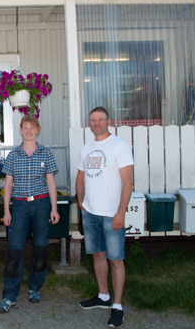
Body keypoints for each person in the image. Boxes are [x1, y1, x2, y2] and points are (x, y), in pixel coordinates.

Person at [0, 115, 60, 314]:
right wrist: (7, 210)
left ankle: (34, 288)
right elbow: (7, 185)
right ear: (21, 130)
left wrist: (54, 207)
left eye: (32, 127)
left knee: (41, 249)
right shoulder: (13, 155)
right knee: (15, 251)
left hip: (41, 205)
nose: (29, 130)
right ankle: (10, 295)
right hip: (20, 206)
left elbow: (50, 182)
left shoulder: (46, 153)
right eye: (25, 127)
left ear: (38, 129)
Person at [76, 107, 134, 328]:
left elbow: (127, 182)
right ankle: (103, 297)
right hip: (90, 213)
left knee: (116, 260)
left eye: (100, 119)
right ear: (89, 123)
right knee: (97, 256)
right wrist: (81, 202)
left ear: (108, 121)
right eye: (93, 120)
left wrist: (121, 212)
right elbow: (80, 176)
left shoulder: (119, 146)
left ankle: (117, 306)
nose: (97, 123)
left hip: (112, 214)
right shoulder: (87, 148)